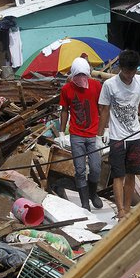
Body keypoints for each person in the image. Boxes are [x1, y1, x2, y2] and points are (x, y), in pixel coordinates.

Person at [97, 50, 140, 220]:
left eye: (133, 71)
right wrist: (101, 134)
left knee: (132, 174)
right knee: (118, 175)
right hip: (117, 137)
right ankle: (120, 210)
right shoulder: (110, 85)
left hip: (135, 136)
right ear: (120, 68)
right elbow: (104, 110)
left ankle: (127, 207)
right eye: (127, 72)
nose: (130, 76)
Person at [57, 57, 103, 211]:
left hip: (93, 134)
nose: (82, 79)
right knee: (80, 169)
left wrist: (105, 130)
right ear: (73, 75)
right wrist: (62, 132)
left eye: (85, 75)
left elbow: (103, 109)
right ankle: (84, 202)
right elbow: (64, 111)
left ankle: (93, 193)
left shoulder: (96, 86)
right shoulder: (67, 89)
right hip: (76, 134)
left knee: (96, 167)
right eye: (79, 76)